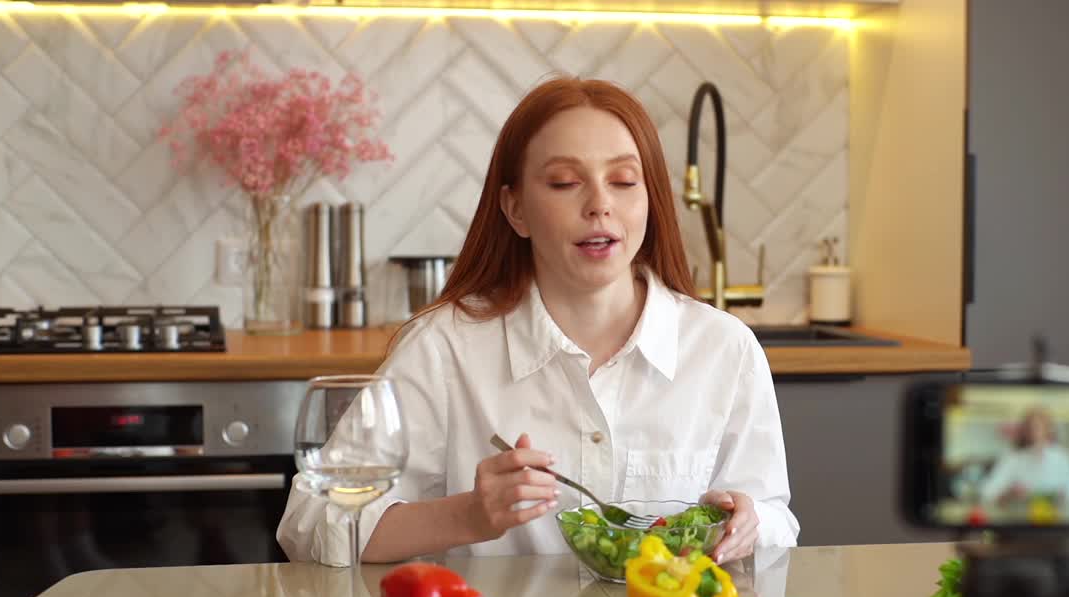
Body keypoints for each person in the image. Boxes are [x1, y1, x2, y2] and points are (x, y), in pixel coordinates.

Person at [277, 75, 799, 567]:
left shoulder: (725, 349)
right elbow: (309, 521)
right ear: (516, 209)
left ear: (650, 200)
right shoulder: (443, 350)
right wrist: (468, 515)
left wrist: (751, 524)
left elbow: (776, 518)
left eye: (622, 180)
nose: (599, 205)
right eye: (565, 182)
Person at [977, 407, 1069, 509]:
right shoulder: (1013, 458)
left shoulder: (1064, 457)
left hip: (1056, 521)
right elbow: (987, 493)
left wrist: (1062, 497)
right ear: (1024, 431)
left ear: (1049, 430)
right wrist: (1009, 493)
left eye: (1040, 428)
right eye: (1031, 428)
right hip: (1019, 521)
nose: (1036, 433)